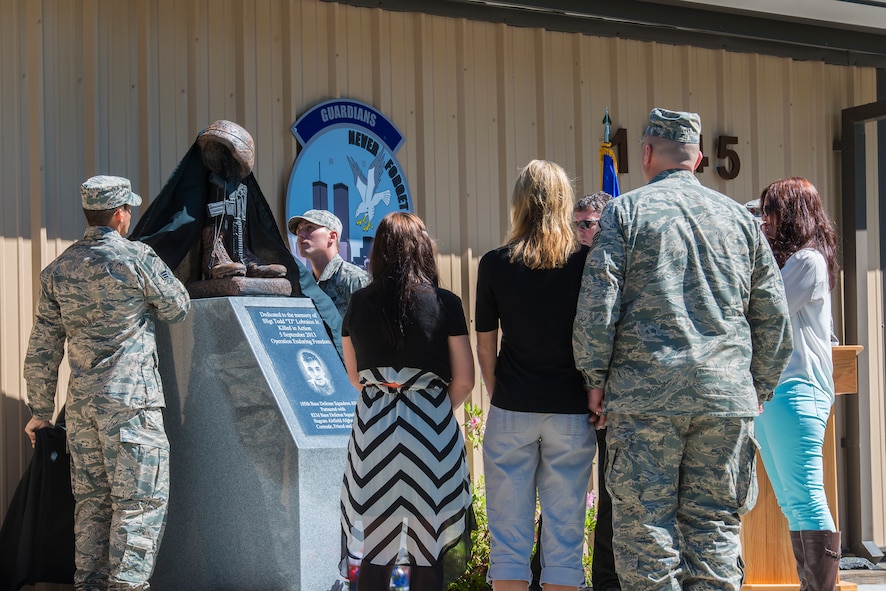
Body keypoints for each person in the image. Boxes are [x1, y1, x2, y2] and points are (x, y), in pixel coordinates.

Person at [572, 108, 792, 591]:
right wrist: (760, 386)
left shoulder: (625, 214)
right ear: (696, 160)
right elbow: (774, 318)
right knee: (713, 528)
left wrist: (594, 380)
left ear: (647, 153)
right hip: (723, 400)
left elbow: (596, 308)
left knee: (647, 533)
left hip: (645, 400)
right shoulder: (740, 221)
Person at [23, 175, 191, 591]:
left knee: (92, 508)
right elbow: (178, 308)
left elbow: (43, 347)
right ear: (119, 214)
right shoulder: (137, 258)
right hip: (132, 408)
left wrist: (40, 413)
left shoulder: (58, 270)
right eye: (128, 209)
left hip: (82, 414)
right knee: (139, 506)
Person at [476, 160, 596, 591]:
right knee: (565, 543)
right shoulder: (586, 264)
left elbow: (485, 346)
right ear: (563, 202)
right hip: (570, 409)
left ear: (519, 203)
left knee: (508, 542)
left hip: (512, 406)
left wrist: (499, 394)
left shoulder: (493, 263)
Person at [339, 212, 475, 590]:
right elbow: (465, 380)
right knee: (428, 543)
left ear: (378, 251)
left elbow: (354, 378)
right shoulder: (445, 303)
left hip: (375, 429)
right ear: (423, 248)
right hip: (431, 427)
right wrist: (430, 408)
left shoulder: (358, 302)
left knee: (376, 544)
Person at [756, 177, 842, 591]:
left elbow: (766, 309)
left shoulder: (807, 261)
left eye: (771, 211)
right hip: (776, 392)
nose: (765, 220)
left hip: (797, 388)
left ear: (792, 215)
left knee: (806, 497)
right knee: (793, 502)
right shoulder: (794, 261)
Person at [288, 209, 370, 318]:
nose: (301, 235)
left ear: (332, 237)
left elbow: (372, 328)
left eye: (309, 228)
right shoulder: (306, 286)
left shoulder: (354, 279)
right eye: (298, 231)